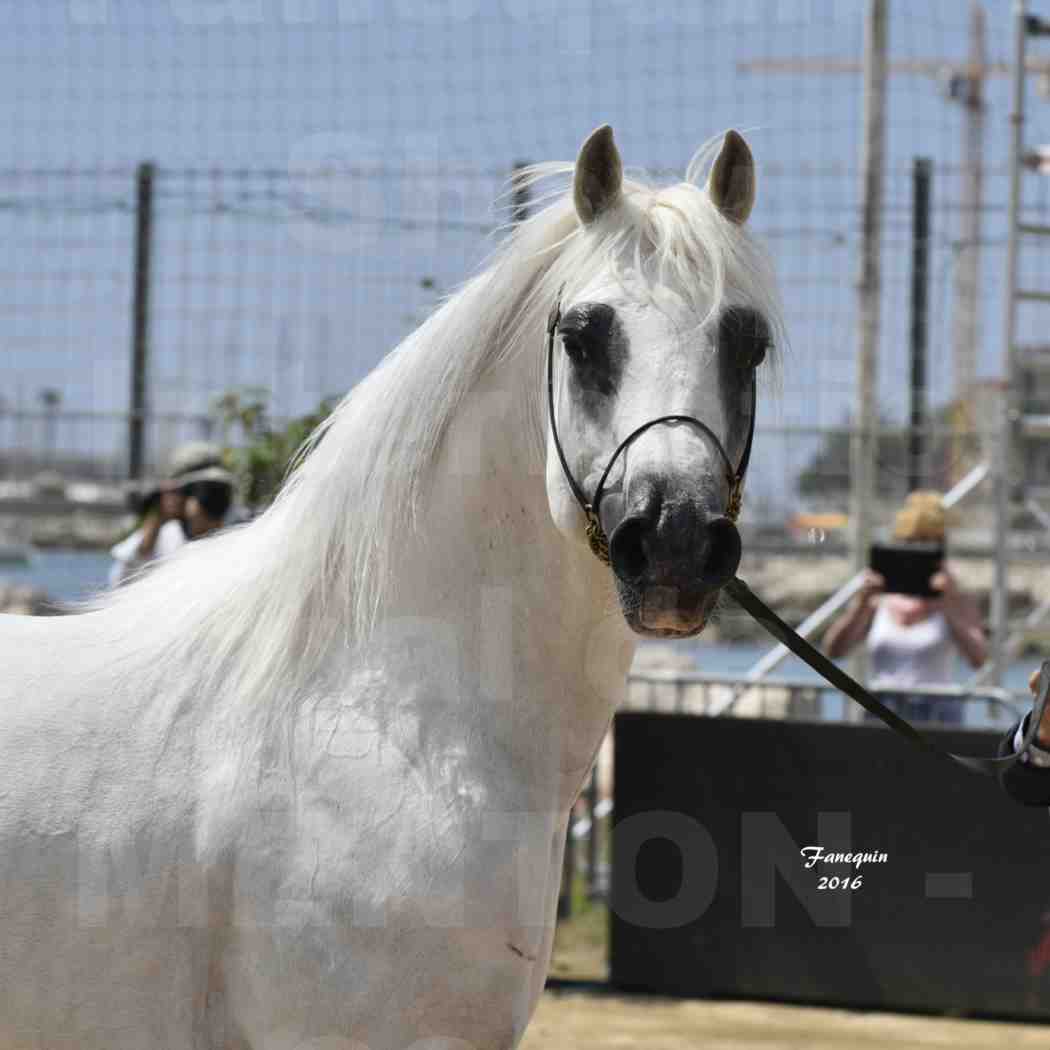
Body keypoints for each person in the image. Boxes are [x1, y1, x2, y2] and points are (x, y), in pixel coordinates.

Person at [823, 491, 987, 725]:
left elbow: (979, 658)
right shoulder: (878, 599)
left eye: (928, 547)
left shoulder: (956, 597)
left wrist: (947, 606)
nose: (917, 554)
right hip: (881, 712)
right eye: (910, 545)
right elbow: (834, 650)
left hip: (937, 715)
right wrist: (861, 604)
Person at [109, 442, 235, 587]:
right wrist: (157, 518)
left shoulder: (240, 532)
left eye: (219, 492)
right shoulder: (165, 537)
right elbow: (119, 582)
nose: (212, 501)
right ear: (179, 493)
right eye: (204, 491)